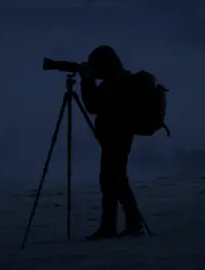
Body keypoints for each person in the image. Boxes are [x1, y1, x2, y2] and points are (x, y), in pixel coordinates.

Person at [79, 45, 144, 240]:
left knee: (115, 180)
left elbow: (92, 106)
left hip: (117, 138)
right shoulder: (118, 80)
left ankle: (130, 224)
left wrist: (86, 80)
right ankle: (112, 226)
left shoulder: (115, 83)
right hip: (116, 138)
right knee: (110, 181)